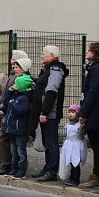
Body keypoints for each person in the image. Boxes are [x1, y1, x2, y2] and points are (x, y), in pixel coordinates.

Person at [78, 42, 99, 188]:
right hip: (94, 109)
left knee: (96, 144)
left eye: (89, 50)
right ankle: (96, 175)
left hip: (95, 111)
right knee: (95, 143)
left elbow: (93, 92)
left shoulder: (98, 69)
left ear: (96, 52)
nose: (87, 53)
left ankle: (97, 176)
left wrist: (84, 113)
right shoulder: (96, 67)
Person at [33, 46, 69, 182]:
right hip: (46, 112)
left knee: (51, 143)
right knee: (47, 142)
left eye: (44, 54)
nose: (42, 56)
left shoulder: (55, 70)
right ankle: (48, 167)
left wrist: (44, 112)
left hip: (50, 113)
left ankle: (52, 171)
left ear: (52, 55)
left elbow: (51, 91)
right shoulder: (48, 69)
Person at [0, 51, 31, 176]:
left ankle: (13, 166)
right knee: (12, 146)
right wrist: (2, 105)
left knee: (17, 147)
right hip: (10, 117)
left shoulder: (23, 82)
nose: (12, 63)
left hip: (17, 122)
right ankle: (10, 166)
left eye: (15, 61)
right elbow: (5, 94)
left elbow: (16, 104)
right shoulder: (13, 76)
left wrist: (9, 102)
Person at [3, 74, 34, 179]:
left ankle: (21, 169)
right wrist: (9, 92)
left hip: (19, 128)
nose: (14, 85)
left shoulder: (24, 98)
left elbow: (21, 110)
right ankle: (14, 167)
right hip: (12, 127)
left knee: (20, 150)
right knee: (13, 150)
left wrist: (13, 103)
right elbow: (6, 102)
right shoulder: (15, 95)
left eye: (16, 83)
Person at [59, 104, 86, 186]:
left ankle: (75, 179)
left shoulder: (79, 125)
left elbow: (81, 136)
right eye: (69, 112)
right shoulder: (68, 124)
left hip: (76, 146)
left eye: (73, 112)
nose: (70, 114)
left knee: (75, 162)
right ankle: (71, 178)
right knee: (70, 162)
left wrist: (82, 127)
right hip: (69, 145)